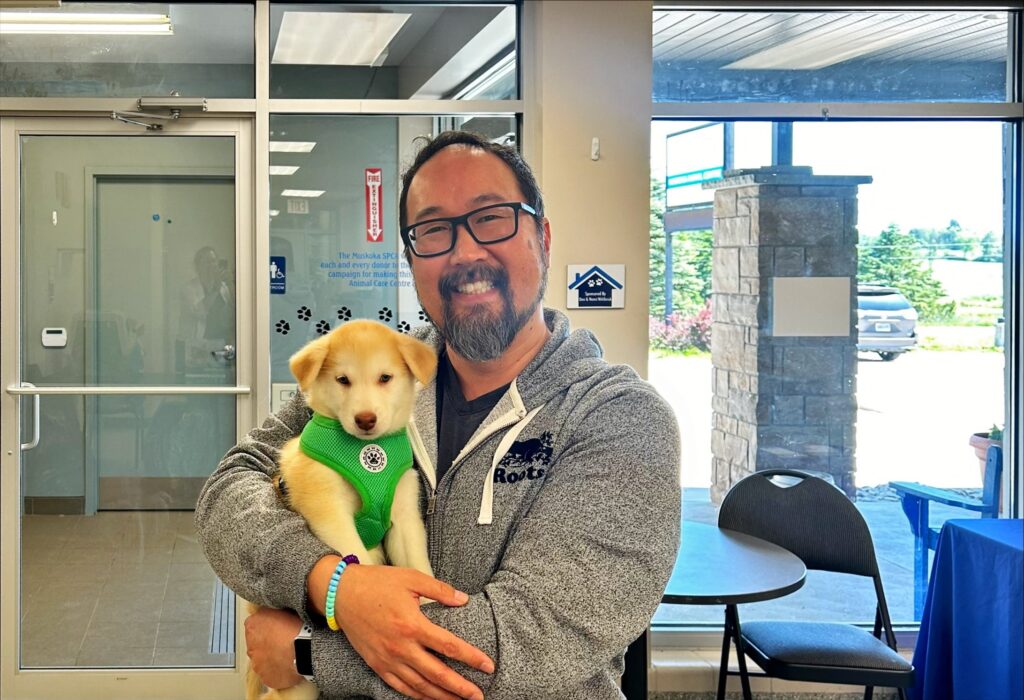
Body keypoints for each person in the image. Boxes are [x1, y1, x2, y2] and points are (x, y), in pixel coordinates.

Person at [195, 131, 682, 699]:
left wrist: (307, 654)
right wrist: (333, 586)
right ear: (411, 260)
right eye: (434, 230)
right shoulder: (381, 374)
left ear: (543, 238)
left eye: (491, 217)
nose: (466, 252)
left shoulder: (618, 420)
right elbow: (228, 491)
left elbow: (523, 644)